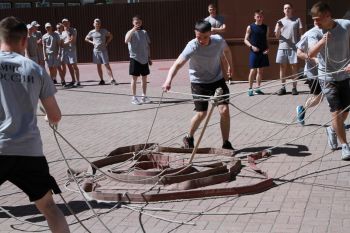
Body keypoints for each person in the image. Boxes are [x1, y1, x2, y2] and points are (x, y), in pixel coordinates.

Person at [0, 16, 69, 232]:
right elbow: (55, 115)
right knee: (49, 207)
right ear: (24, 40)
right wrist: (50, 118)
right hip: (28, 151)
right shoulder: (36, 70)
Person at [162, 20, 234, 150]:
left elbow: (227, 51)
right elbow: (177, 64)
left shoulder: (218, 41)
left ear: (210, 33)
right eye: (198, 37)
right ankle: (189, 137)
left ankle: (226, 143)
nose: (201, 40)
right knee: (202, 114)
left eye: (205, 37)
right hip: (198, 82)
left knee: (224, 110)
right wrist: (168, 80)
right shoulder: (192, 46)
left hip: (217, 80)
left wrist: (230, 65)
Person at [308, 2, 350, 160]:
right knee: (336, 111)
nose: (315, 22)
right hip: (326, 77)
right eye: (314, 19)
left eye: (318, 19)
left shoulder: (346, 25)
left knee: (345, 111)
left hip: (344, 75)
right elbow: (311, 53)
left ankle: (332, 130)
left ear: (328, 16)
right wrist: (321, 42)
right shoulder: (314, 32)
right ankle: (345, 146)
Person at [295, 25, 323, 125]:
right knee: (318, 98)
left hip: (329, 72)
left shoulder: (331, 31)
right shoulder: (308, 34)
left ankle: (339, 121)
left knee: (334, 96)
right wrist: (313, 59)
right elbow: (299, 53)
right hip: (313, 72)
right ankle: (302, 109)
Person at [274, 3, 303, 95]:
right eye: (285, 8)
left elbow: (301, 34)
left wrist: (301, 46)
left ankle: (294, 88)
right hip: (282, 47)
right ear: (283, 10)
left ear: (292, 9)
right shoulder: (279, 21)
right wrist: (278, 28)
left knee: (294, 68)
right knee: (282, 68)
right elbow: (277, 36)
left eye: (289, 8)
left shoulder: (297, 20)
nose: (287, 9)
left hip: (294, 47)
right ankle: (283, 88)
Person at [125, 15, 152, 105]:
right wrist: (133, 30)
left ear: (141, 22)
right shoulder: (130, 32)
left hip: (144, 59)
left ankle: (143, 96)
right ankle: (134, 97)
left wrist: (149, 58)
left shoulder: (144, 32)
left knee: (144, 79)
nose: (138, 24)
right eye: (136, 22)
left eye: (139, 22)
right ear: (133, 23)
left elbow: (147, 46)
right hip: (134, 58)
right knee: (134, 79)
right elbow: (126, 40)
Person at [244, 9, 269, 96]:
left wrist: (267, 48)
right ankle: (250, 89)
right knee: (252, 70)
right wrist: (252, 47)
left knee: (260, 71)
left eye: (261, 16)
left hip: (263, 52)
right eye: (257, 16)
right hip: (254, 52)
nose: (259, 18)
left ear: (263, 17)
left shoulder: (266, 27)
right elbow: (245, 40)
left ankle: (258, 88)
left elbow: (266, 39)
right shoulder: (250, 27)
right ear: (254, 17)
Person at [85, 18, 118, 85]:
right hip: (96, 51)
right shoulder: (91, 32)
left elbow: (111, 36)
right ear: (93, 24)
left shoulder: (104, 31)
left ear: (100, 24)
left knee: (106, 65)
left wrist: (107, 43)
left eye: (98, 23)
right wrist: (92, 42)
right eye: (96, 23)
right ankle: (101, 80)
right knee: (98, 66)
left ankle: (112, 79)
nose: (97, 25)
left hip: (103, 51)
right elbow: (86, 38)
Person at [61, 18, 80, 87]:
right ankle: (73, 80)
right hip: (66, 51)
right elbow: (62, 44)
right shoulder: (62, 33)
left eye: (66, 22)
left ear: (69, 23)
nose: (65, 24)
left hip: (72, 51)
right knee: (69, 66)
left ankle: (78, 81)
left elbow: (73, 40)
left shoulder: (73, 30)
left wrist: (65, 42)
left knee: (74, 66)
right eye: (64, 23)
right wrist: (66, 42)